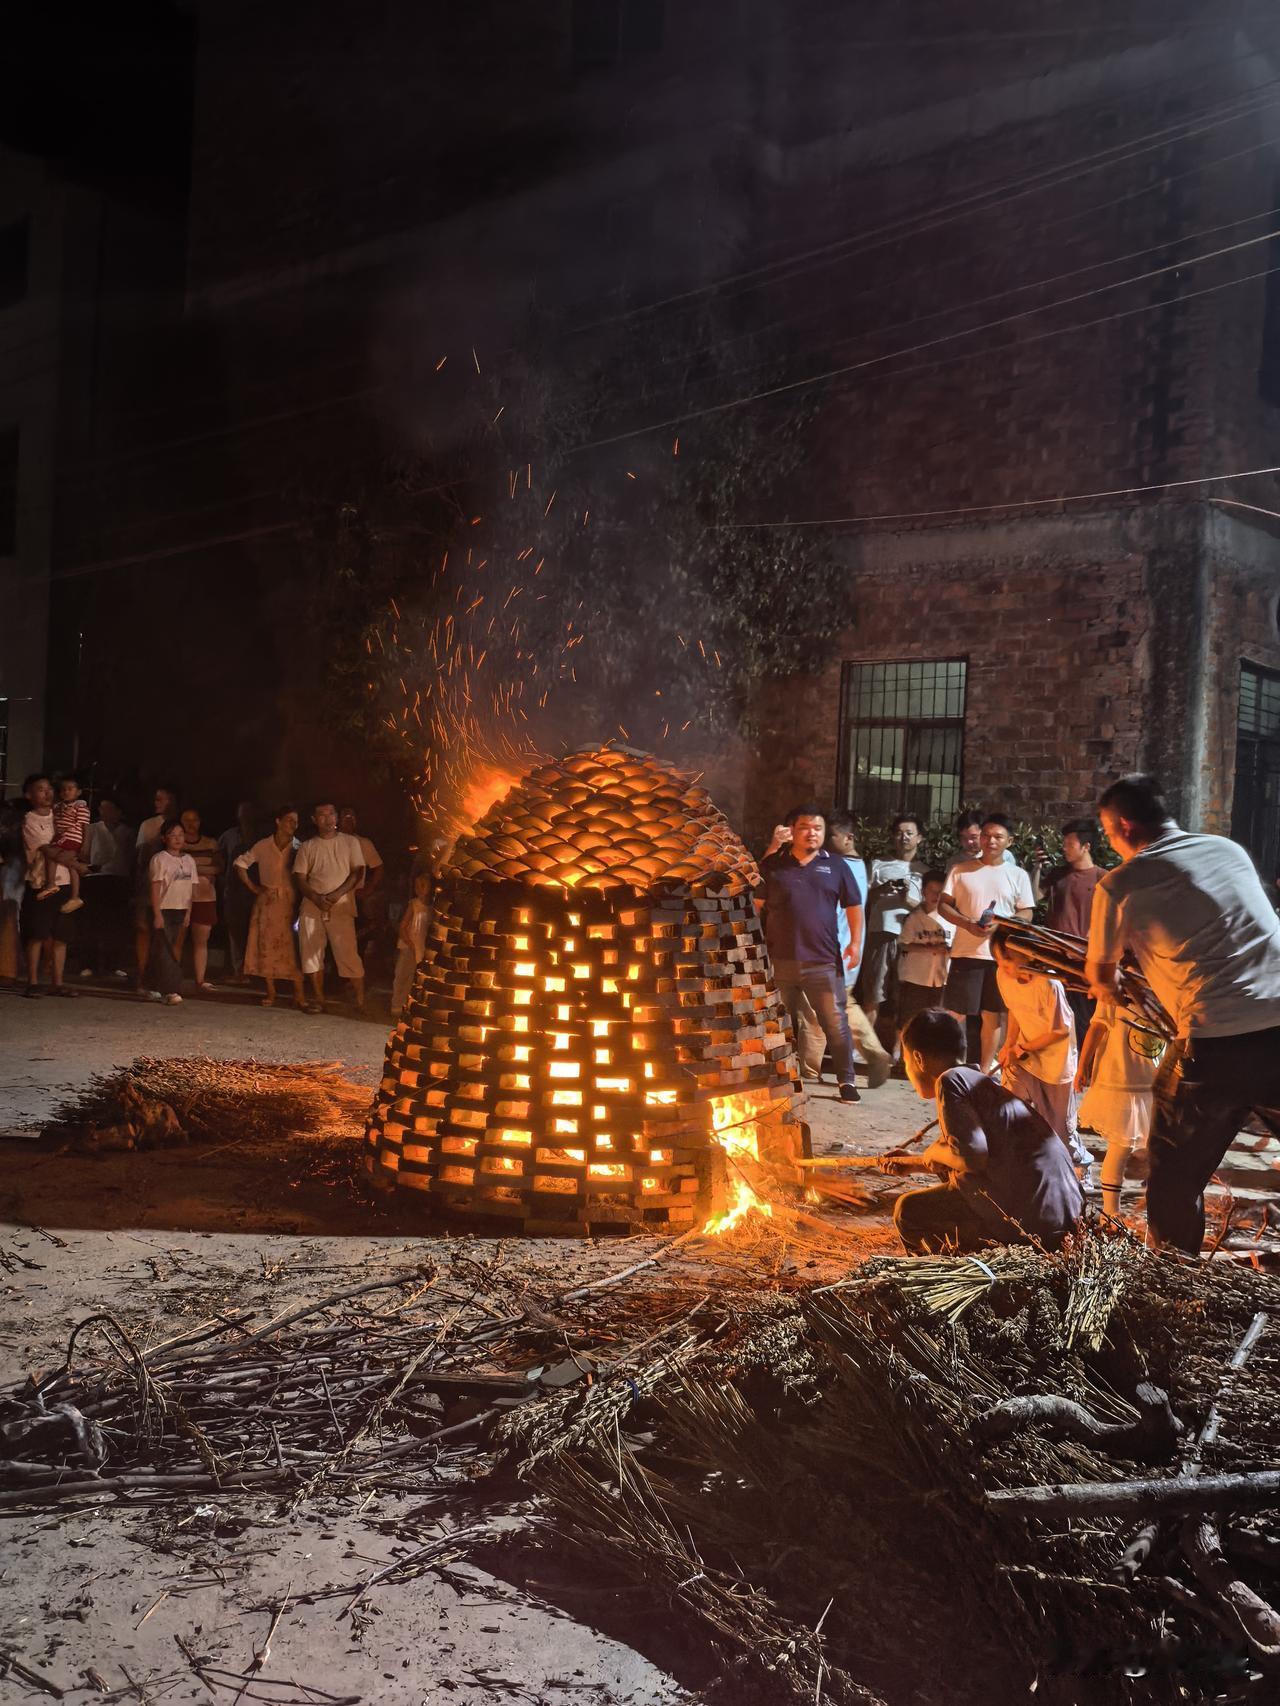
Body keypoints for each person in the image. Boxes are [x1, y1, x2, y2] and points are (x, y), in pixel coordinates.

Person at [1087, 773, 1280, 1255]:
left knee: (1173, 1175)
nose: (1111, 845)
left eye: (1109, 835)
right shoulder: (1228, 850)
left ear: (1125, 825)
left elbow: (1102, 980)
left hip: (1214, 1041)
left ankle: (1173, 1278)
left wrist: (1124, 981)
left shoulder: (1119, 886)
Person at [882, 1009, 1084, 1253]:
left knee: (908, 1212)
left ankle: (948, 1279)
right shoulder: (982, 1082)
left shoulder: (951, 1080)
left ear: (918, 1059)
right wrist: (916, 1164)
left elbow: (973, 1157)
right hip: (1065, 1219)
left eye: (905, 1062)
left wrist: (934, 1152)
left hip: (1032, 1226)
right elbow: (986, 1158)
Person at [760, 804, 863, 1103]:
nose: (813, 833)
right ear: (792, 831)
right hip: (780, 960)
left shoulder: (837, 866)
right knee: (779, 1022)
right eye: (806, 827)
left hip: (823, 961)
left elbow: (854, 908)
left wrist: (855, 943)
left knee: (834, 1022)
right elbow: (756, 901)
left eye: (818, 828)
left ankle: (846, 1080)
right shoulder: (774, 865)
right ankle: (782, 1076)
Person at [799, 816, 891, 1091]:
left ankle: (810, 1071)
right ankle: (873, 1057)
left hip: (832, 949)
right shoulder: (856, 867)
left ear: (849, 839)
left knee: (817, 1010)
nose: (825, 840)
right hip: (844, 950)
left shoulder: (837, 868)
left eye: (832, 836)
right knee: (836, 1007)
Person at [939, 814, 1034, 1070]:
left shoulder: (1018, 875)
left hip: (1000, 956)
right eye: (986, 835)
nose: (990, 840)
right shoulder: (961, 871)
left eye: (998, 836)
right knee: (955, 1012)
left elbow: (1027, 912)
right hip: (965, 952)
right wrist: (968, 923)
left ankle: (984, 1069)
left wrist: (1002, 924)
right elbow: (944, 906)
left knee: (993, 1015)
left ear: (1009, 841)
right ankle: (947, 1061)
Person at [992, 938, 1091, 1180]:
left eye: (1008, 961)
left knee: (1059, 1128)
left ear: (1027, 957)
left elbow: (1060, 1030)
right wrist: (1009, 1045)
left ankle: (1079, 1168)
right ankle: (1018, 1167)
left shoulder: (1048, 983)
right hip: (1024, 1057)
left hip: (1055, 1063)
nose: (1003, 967)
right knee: (1009, 1105)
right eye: (999, 961)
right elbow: (1014, 1009)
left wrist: (1023, 1046)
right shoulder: (1003, 976)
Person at [1076, 999, 1163, 1219]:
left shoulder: (1161, 988)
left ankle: (1156, 1210)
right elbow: (1097, 1026)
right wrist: (1082, 1065)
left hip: (1154, 1080)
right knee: (1120, 1145)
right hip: (1122, 1080)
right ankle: (1111, 1212)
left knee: (1158, 1146)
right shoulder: (1113, 993)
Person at [1031, 816, 1105, 1042]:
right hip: (1055, 957)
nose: (1064, 849)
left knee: (1083, 1017)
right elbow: (1034, 897)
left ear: (1086, 846)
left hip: (1084, 959)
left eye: (1069, 845)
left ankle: (1084, 1067)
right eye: (1064, 844)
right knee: (1056, 1015)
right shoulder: (1057, 875)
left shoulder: (1103, 879)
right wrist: (1036, 868)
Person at [293, 802, 366, 1011]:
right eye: (322, 815)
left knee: (348, 953)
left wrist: (336, 894)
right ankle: (319, 999)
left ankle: (360, 1001)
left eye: (331, 814)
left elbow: (357, 872)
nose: (328, 818)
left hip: (341, 906)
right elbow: (300, 878)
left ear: (336, 817)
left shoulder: (350, 842)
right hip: (312, 907)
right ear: (314, 820)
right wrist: (316, 898)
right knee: (312, 953)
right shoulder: (308, 846)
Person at [235, 806, 309, 1010]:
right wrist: (253, 887)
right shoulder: (264, 845)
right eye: (289, 820)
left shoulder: (298, 847)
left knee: (292, 948)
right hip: (267, 902)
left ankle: (299, 993)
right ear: (278, 821)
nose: (293, 825)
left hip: (289, 902)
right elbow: (241, 864)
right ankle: (271, 991)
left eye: (296, 822)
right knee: (266, 946)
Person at [861, 814, 925, 1033]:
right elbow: (861, 899)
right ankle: (863, 1049)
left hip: (912, 940)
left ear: (919, 838)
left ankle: (899, 1050)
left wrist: (910, 900)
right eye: (899, 833)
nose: (903, 837)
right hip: (880, 934)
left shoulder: (924, 871)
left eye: (909, 833)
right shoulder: (878, 864)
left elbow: (931, 909)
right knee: (873, 993)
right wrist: (882, 889)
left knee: (904, 995)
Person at [19, 774, 79, 998]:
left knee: (61, 934)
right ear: (29, 795)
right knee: (38, 933)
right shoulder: (30, 821)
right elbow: (48, 850)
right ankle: (33, 981)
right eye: (41, 789)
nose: (47, 793)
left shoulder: (61, 815)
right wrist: (74, 860)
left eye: (49, 789)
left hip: (64, 882)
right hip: (40, 883)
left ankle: (58, 982)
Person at [132, 785, 179, 992]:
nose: (156, 803)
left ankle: (166, 979)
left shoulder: (180, 823)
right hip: (148, 883)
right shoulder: (148, 825)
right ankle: (142, 976)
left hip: (174, 888)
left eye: (162, 799)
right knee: (144, 929)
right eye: (156, 799)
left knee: (169, 935)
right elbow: (140, 859)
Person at [81, 796, 134, 977]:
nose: (105, 813)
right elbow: (85, 852)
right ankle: (89, 963)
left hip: (119, 879)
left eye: (109, 809)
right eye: (102, 809)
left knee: (116, 923)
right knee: (92, 922)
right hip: (96, 877)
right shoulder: (92, 828)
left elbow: (130, 857)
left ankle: (113, 963)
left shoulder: (126, 832)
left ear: (119, 812)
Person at [895, 869, 954, 1029]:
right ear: (923, 892)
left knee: (937, 1021)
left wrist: (950, 950)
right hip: (916, 976)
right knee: (910, 1019)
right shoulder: (915, 917)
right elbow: (903, 943)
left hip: (942, 978)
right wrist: (930, 948)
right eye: (931, 891)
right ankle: (902, 1051)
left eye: (940, 892)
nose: (935, 896)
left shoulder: (951, 919)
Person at [147, 819, 197, 1004]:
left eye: (180, 835)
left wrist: (189, 912)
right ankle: (171, 990)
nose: (177, 839)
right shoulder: (160, 859)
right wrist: (157, 914)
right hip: (165, 909)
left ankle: (152, 985)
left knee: (164, 950)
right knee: (166, 951)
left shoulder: (189, 860)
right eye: (172, 835)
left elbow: (191, 889)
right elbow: (155, 887)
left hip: (181, 909)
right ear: (164, 838)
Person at [180, 808, 224, 991]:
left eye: (195, 820)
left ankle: (200, 979)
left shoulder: (210, 843)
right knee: (178, 939)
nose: (191, 824)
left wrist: (194, 870)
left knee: (202, 940)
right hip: (181, 898)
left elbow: (219, 867)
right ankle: (173, 978)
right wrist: (204, 870)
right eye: (187, 820)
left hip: (205, 897)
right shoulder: (178, 843)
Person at [33, 773, 90, 913]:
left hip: (71, 838)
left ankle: (71, 892)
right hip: (62, 837)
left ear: (79, 792)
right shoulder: (59, 806)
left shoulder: (80, 807)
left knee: (56, 855)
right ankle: (61, 889)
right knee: (57, 859)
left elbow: (85, 827)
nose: (66, 792)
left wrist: (85, 844)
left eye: (70, 789)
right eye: (63, 789)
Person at [217, 801, 259, 984]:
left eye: (249, 813)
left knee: (254, 932)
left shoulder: (261, 837)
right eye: (243, 813)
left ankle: (254, 972)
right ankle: (239, 971)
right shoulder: (228, 836)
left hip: (256, 892)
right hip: (233, 892)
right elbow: (220, 861)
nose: (246, 817)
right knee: (235, 933)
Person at [391, 868, 434, 1018]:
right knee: (402, 975)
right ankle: (397, 1005)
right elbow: (403, 925)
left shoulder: (433, 908)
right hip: (410, 946)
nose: (419, 889)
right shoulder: (414, 904)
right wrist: (408, 942)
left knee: (414, 979)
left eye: (423, 886)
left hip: (422, 947)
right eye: (417, 886)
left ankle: (410, 1007)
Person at [946, 810, 1020, 873]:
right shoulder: (955, 862)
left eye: (974, 837)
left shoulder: (1005, 856)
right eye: (964, 838)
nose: (969, 842)